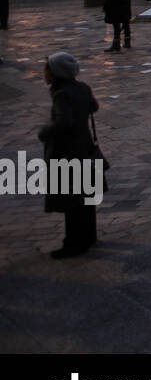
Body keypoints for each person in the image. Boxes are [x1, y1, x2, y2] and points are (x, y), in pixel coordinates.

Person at [38, 52, 101, 259]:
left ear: (56, 73)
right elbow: (94, 106)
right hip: (85, 146)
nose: (44, 74)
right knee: (85, 197)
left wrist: (44, 132)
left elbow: (63, 122)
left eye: (46, 70)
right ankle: (89, 236)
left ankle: (74, 242)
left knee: (71, 200)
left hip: (67, 151)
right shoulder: (82, 87)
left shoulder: (61, 94)